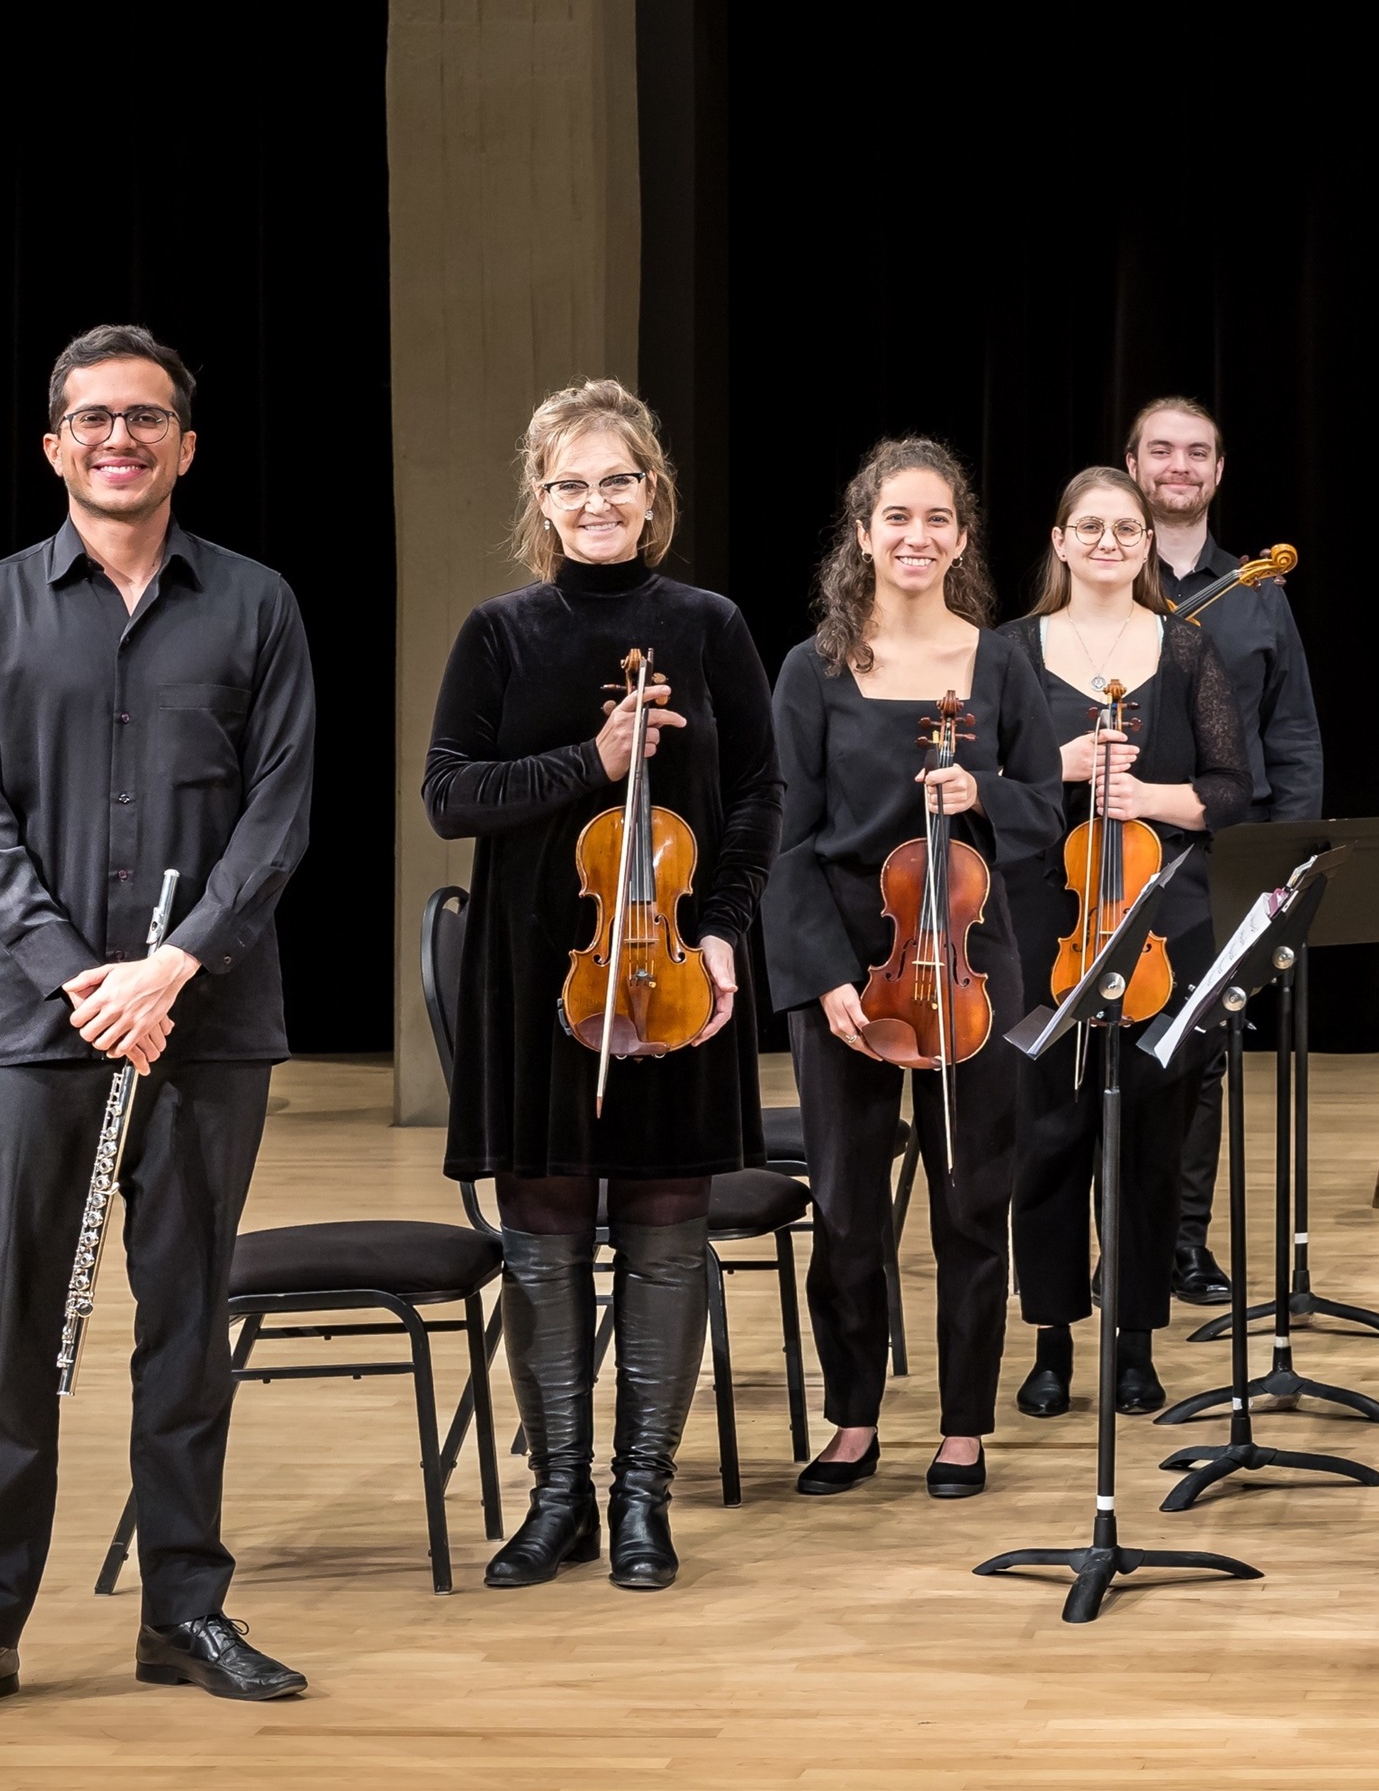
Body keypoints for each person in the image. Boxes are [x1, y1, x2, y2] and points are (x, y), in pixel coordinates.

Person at [0, 325, 319, 1729]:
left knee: (186, 1330)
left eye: (146, 416)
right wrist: (90, 976)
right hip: (35, 1026)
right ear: (55, 445)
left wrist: (175, 966)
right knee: (17, 1330)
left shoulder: (256, 606)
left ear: (185, 444)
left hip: (209, 1021)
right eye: (92, 417)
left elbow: (277, 814)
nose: (118, 436)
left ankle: (182, 1607)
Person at [422, 380, 779, 1590]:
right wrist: (595, 758)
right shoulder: (499, 633)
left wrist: (724, 928)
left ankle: (644, 1497)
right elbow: (449, 795)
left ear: (652, 490)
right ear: (542, 499)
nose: (596, 501)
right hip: (540, 971)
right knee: (547, 1234)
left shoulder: (711, 624)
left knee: (669, 1239)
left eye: (617, 478)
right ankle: (558, 1494)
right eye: (571, 483)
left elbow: (757, 797)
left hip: (678, 967)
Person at [764, 439, 1061, 1501]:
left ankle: (965, 1425)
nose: (917, 536)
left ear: (962, 538)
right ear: (863, 532)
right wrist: (822, 975)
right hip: (848, 962)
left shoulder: (1001, 661)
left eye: (937, 519)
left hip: (972, 961)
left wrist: (975, 790)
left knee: (974, 1197)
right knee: (846, 1207)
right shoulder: (813, 668)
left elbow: (1046, 809)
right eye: (897, 517)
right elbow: (786, 838)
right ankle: (852, 1417)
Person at [1005, 465, 1255, 1421]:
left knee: (1150, 1138)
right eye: (1091, 528)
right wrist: (1056, 768)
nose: (1109, 543)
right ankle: (1054, 1339)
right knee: (1050, 1135)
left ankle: (1137, 1338)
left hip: (1165, 921)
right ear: (1060, 541)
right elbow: (977, 783)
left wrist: (1147, 797)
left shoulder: (1186, 651)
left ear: (1148, 547)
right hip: (1046, 920)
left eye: (1127, 529)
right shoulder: (1011, 654)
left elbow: (1231, 789)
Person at [1125, 396, 1320, 1307]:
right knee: (1113, 1055)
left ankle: (1184, 1243)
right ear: (1132, 464)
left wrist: (1290, 858)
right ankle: (1120, 1245)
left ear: (1218, 471)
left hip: (1225, 850)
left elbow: (1294, 737)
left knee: (1203, 1054)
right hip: (1111, 853)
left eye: (1197, 452)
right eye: (1161, 450)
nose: (1179, 465)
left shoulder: (1256, 590)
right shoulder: (1097, 576)